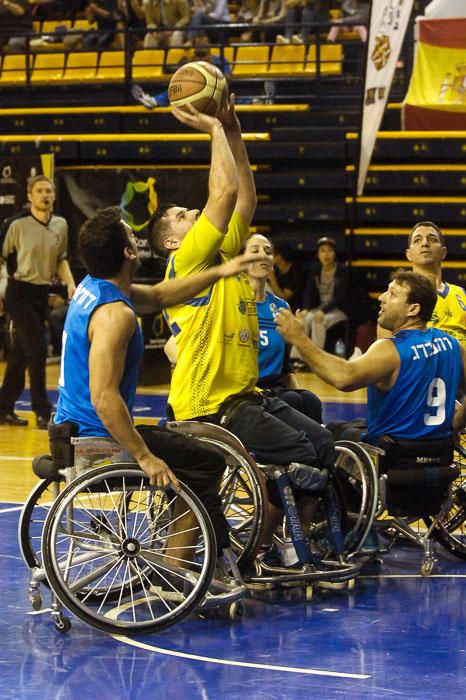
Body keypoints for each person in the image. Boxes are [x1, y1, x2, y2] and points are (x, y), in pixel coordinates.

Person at [149, 97, 336, 569]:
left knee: (323, 445)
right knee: (297, 452)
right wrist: (213, 127)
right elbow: (223, 193)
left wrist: (233, 129)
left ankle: (281, 539)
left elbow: (245, 197)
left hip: (244, 395)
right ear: (173, 240)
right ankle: (268, 544)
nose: (193, 213)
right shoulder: (186, 260)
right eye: (181, 215)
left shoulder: (220, 257)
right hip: (209, 402)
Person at [54, 205, 267, 585]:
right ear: (129, 254)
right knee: (205, 462)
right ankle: (177, 570)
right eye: (129, 235)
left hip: (72, 431)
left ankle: (178, 553)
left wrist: (220, 270)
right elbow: (105, 399)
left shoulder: (97, 288)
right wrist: (144, 456)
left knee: (182, 454)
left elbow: (161, 294)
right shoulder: (115, 314)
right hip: (96, 442)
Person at [275, 270, 466, 445]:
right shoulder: (452, 344)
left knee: (329, 432)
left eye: (392, 294)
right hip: (440, 450)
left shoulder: (391, 349)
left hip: (395, 456)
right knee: (354, 424)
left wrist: (300, 340)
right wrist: (458, 421)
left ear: (413, 309)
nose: (382, 298)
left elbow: (343, 377)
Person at [0, 175, 75, 429]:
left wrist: (71, 284)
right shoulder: (15, 224)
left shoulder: (61, 225)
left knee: (20, 356)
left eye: (49, 191)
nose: (46, 195)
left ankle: (3, 408)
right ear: (30, 196)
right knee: (38, 347)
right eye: (40, 191)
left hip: (40, 293)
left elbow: (60, 259)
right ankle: (43, 411)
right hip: (18, 293)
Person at [244, 233, 322, 422]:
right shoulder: (232, 303)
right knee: (292, 400)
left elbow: (285, 360)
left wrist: (295, 384)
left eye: (268, 251)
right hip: (247, 390)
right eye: (255, 251)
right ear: (241, 261)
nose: (263, 255)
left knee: (310, 400)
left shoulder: (280, 306)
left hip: (275, 385)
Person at [404, 221, 466, 349]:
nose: (425, 243)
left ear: (443, 252)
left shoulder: (461, 293)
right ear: (408, 254)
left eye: (432, 239)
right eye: (417, 240)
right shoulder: (400, 293)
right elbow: (386, 343)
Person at [131, 38, 231, 109]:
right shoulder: (193, 61)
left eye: (203, 55)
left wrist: (213, 71)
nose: (200, 58)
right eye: (197, 54)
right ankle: (154, 101)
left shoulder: (220, 60)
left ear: (209, 54)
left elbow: (228, 78)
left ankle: (156, 101)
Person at [294, 236, 350, 357]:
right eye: (322, 251)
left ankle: (316, 358)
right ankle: (297, 358)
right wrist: (306, 309)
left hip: (338, 310)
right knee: (303, 319)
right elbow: (308, 292)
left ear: (335, 253)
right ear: (318, 254)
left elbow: (340, 297)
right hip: (319, 308)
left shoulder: (341, 270)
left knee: (317, 320)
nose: (326, 254)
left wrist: (322, 311)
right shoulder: (316, 269)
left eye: (329, 250)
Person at [267, 240, 307, 313]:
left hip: (293, 310)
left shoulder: (296, 272)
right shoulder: (274, 269)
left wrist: (272, 278)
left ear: (279, 257)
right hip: (272, 307)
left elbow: (283, 299)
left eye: (270, 254)